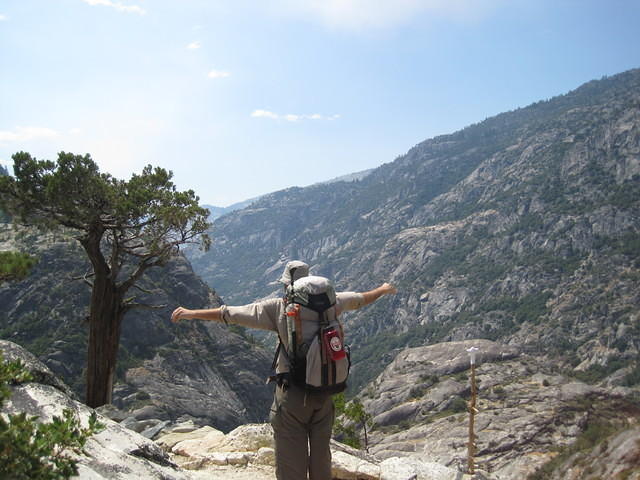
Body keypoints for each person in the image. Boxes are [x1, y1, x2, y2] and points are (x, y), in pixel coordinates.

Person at [171, 260, 397, 480]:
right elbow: (360, 299)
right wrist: (383, 289)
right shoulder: (333, 304)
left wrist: (192, 313)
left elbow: (229, 314)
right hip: (325, 394)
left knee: (291, 463)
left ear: (287, 285)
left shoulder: (278, 308)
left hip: (293, 397)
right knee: (321, 459)